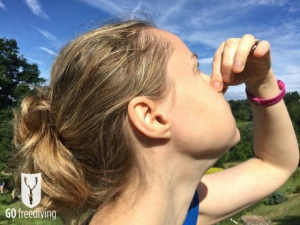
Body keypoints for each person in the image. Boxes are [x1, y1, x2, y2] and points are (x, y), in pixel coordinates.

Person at [12, 18, 299, 225]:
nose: (217, 83)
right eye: (194, 68)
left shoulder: (183, 210)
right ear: (152, 117)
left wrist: (262, 83)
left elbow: (275, 164)